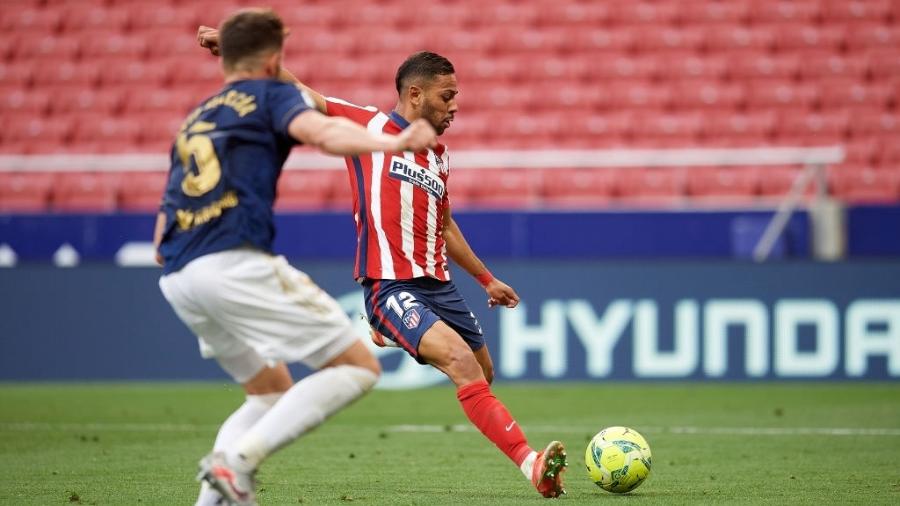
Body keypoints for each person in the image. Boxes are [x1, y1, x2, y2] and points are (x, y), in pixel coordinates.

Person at [198, 28, 568, 499]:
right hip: (390, 284)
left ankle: (391, 334)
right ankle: (533, 465)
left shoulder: (439, 156)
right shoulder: (370, 127)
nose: (455, 106)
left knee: (482, 372)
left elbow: (446, 225)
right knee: (461, 366)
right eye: (447, 96)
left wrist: (487, 279)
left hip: (439, 285)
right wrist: (238, 51)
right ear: (415, 94)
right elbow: (299, 93)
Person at [156, 9, 438, 506]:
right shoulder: (272, 95)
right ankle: (238, 463)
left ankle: (214, 499)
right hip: (233, 262)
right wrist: (391, 141)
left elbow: (162, 230)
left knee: (267, 392)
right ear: (272, 58)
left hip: (179, 274)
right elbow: (325, 132)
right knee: (356, 368)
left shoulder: (199, 115)